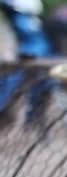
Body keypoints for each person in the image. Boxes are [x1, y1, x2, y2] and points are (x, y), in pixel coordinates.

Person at [0, 0, 55, 129]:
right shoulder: (19, 17)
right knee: (10, 81)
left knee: (43, 84)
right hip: (28, 55)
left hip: (37, 55)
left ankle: (33, 121)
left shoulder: (31, 22)